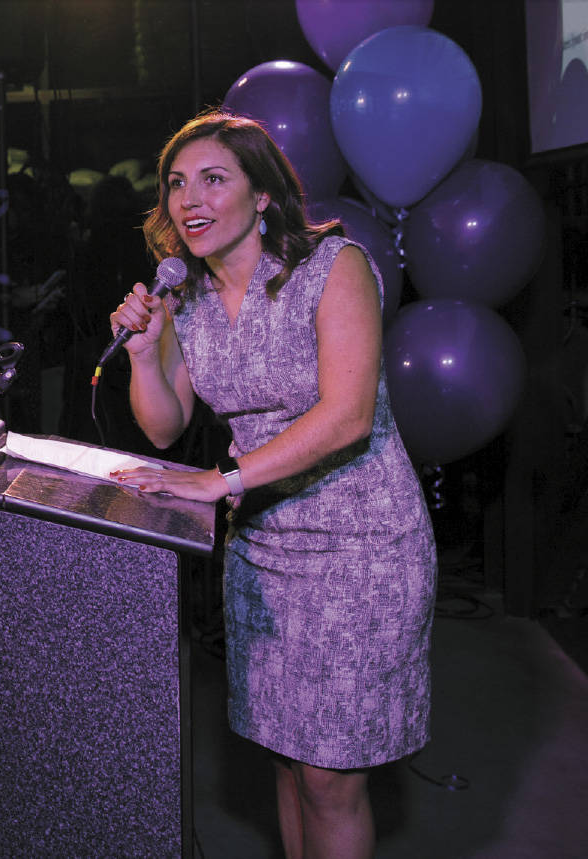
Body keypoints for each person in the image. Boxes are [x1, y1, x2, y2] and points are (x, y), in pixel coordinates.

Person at [108, 110, 436, 858]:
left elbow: (347, 415)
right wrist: (145, 352)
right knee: (286, 763)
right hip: (263, 553)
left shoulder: (333, 266)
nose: (190, 197)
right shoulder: (185, 297)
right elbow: (162, 427)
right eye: (177, 183)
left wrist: (221, 479)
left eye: (213, 178)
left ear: (261, 196)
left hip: (362, 548)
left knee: (329, 779)